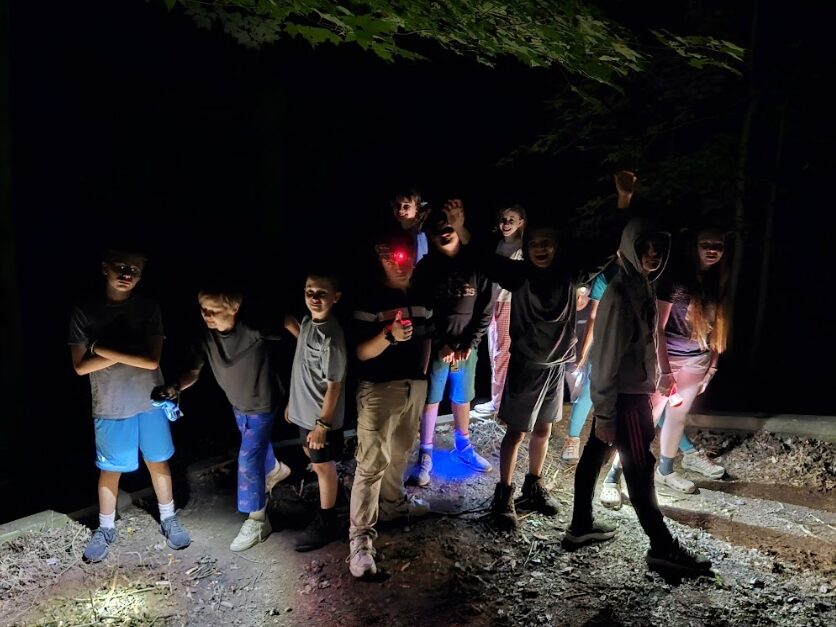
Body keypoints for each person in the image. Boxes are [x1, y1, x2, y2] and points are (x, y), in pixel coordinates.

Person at [564, 218, 712, 575]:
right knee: (639, 466)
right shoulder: (619, 293)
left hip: (633, 391)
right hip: (624, 397)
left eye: (658, 247)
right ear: (630, 248)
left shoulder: (642, 285)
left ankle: (580, 525)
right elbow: (605, 359)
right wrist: (605, 412)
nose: (652, 254)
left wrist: (655, 377)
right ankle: (662, 547)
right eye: (644, 246)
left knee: (596, 453)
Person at [69, 248, 191, 563]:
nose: (127, 274)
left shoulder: (148, 307)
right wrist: (128, 350)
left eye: (134, 269)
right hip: (110, 403)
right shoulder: (85, 310)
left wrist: (99, 347)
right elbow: (80, 367)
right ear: (104, 267)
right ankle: (106, 527)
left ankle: (168, 518)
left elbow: (151, 361)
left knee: (158, 461)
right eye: (121, 266)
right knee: (110, 468)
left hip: (151, 399)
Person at [152, 281, 294, 552]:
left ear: (234, 308)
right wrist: (175, 387)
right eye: (203, 309)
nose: (206, 315)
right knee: (254, 445)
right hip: (238, 403)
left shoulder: (252, 329)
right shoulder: (207, 337)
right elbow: (193, 371)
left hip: (263, 403)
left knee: (248, 457)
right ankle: (275, 469)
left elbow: (286, 320)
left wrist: (310, 345)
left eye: (213, 310)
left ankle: (258, 520)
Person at [347, 230, 432, 578]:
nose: (401, 264)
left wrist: (422, 377)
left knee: (400, 451)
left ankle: (394, 505)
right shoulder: (368, 296)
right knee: (371, 464)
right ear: (380, 258)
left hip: (414, 386)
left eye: (406, 257)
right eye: (392, 258)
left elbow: (427, 336)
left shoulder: (422, 292)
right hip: (379, 389)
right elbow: (360, 353)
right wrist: (389, 336)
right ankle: (360, 542)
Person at [410, 204, 495, 487]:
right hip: (436, 347)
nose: (444, 234)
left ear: (458, 229)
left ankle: (463, 446)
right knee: (431, 400)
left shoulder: (476, 264)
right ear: (431, 236)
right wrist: (439, 342)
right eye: (438, 231)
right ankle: (425, 453)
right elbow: (419, 309)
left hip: (466, 347)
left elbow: (485, 308)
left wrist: (471, 342)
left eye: (449, 228)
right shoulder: (425, 268)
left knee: (462, 397)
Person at [652, 226, 731, 494]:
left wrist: (712, 367)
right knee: (648, 418)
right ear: (694, 246)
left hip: (697, 361)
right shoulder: (675, 281)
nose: (712, 250)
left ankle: (665, 471)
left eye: (718, 245)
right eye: (705, 243)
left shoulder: (717, 281)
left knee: (677, 417)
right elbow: (657, 328)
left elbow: (717, 327)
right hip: (668, 359)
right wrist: (664, 371)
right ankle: (617, 476)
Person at [284, 269, 347, 552]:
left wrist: (323, 425)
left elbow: (334, 385)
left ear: (335, 298)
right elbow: (304, 355)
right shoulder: (309, 322)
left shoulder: (331, 337)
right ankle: (334, 496)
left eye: (322, 293)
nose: (314, 297)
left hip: (320, 418)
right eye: (310, 291)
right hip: (304, 411)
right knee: (311, 456)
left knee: (323, 465)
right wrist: (293, 403)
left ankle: (327, 520)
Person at [472, 205, 526, 417]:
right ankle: (497, 398)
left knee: (502, 353)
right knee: (493, 351)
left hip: (508, 303)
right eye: (503, 219)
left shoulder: (522, 248)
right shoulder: (497, 245)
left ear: (521, 222)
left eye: (512, 219)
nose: (506, 223)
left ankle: (499, 402)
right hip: (492, 302)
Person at [390, 187, 431, 266]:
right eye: (398, 205)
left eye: (406, 206)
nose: (400, 210)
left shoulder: (424, 232)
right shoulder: (393, 232)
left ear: (416, 208)